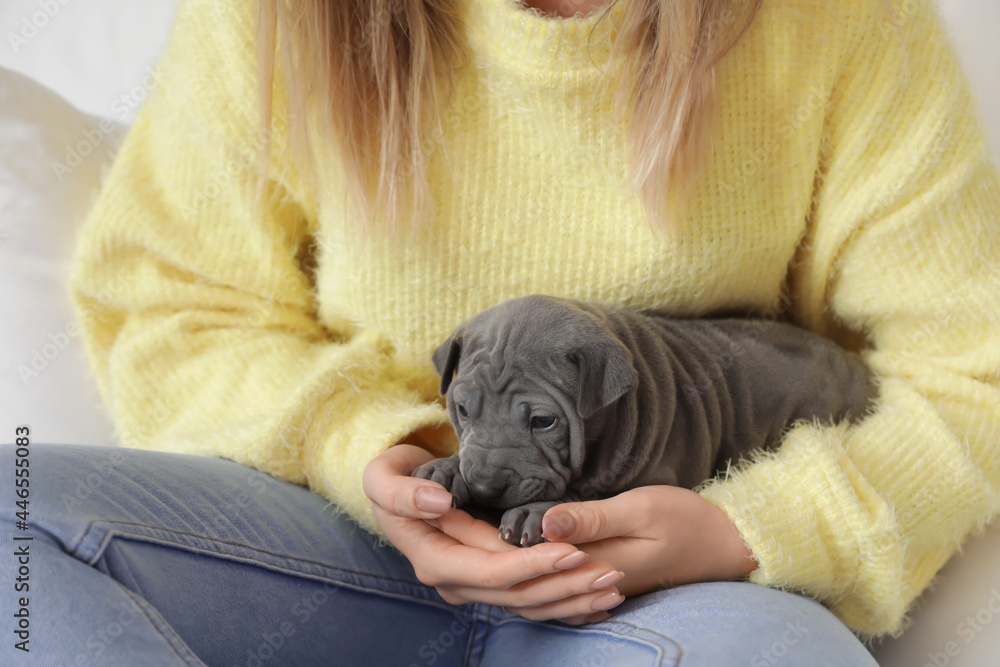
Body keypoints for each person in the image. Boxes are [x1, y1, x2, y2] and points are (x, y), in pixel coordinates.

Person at [3, 0, 998, 664]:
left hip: (665, 591)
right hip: (343, 544)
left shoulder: (835, 24)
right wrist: (370, 450)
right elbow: (169, 302)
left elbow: (973, 368)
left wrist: (746, 530)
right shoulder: (280, 19)